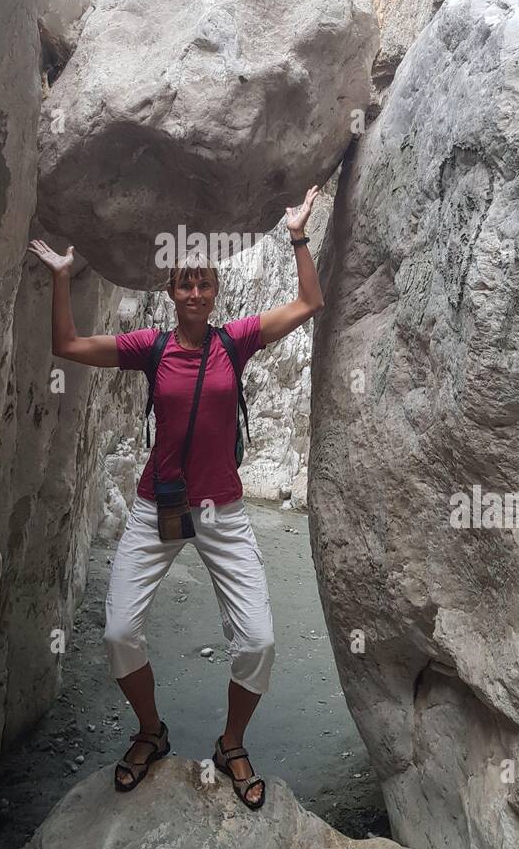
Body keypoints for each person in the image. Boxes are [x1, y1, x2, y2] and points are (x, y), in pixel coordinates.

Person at [28, 185, 324, 810]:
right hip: (157, 505)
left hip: (222, 509)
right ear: (170, 293)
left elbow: (308, 302)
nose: (194, 292)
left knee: (260, 640)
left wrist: (297, 234)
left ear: (215, 291)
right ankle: (151, 732)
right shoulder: (150, 350)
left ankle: (232, 743)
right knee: (118, 631)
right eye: (184, 284)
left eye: (203, 284)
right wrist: (60, 277)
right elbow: (69, 347)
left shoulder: (234, 342)